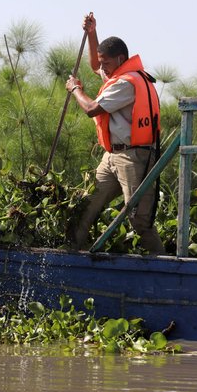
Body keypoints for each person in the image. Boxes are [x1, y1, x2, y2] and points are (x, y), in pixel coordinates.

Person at [64, 13, 164, 254]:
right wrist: (92, 33)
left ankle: (166, 265)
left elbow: (91, 109)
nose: (102, 69)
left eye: (106, 63)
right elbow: (94, 65)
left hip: (133, 158)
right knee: (86, 208)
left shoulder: (126, 83)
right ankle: (72, 257)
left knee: (139, 219)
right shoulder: (117, 73)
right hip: (112, 156)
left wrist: (76, 89)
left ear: (120, 59)